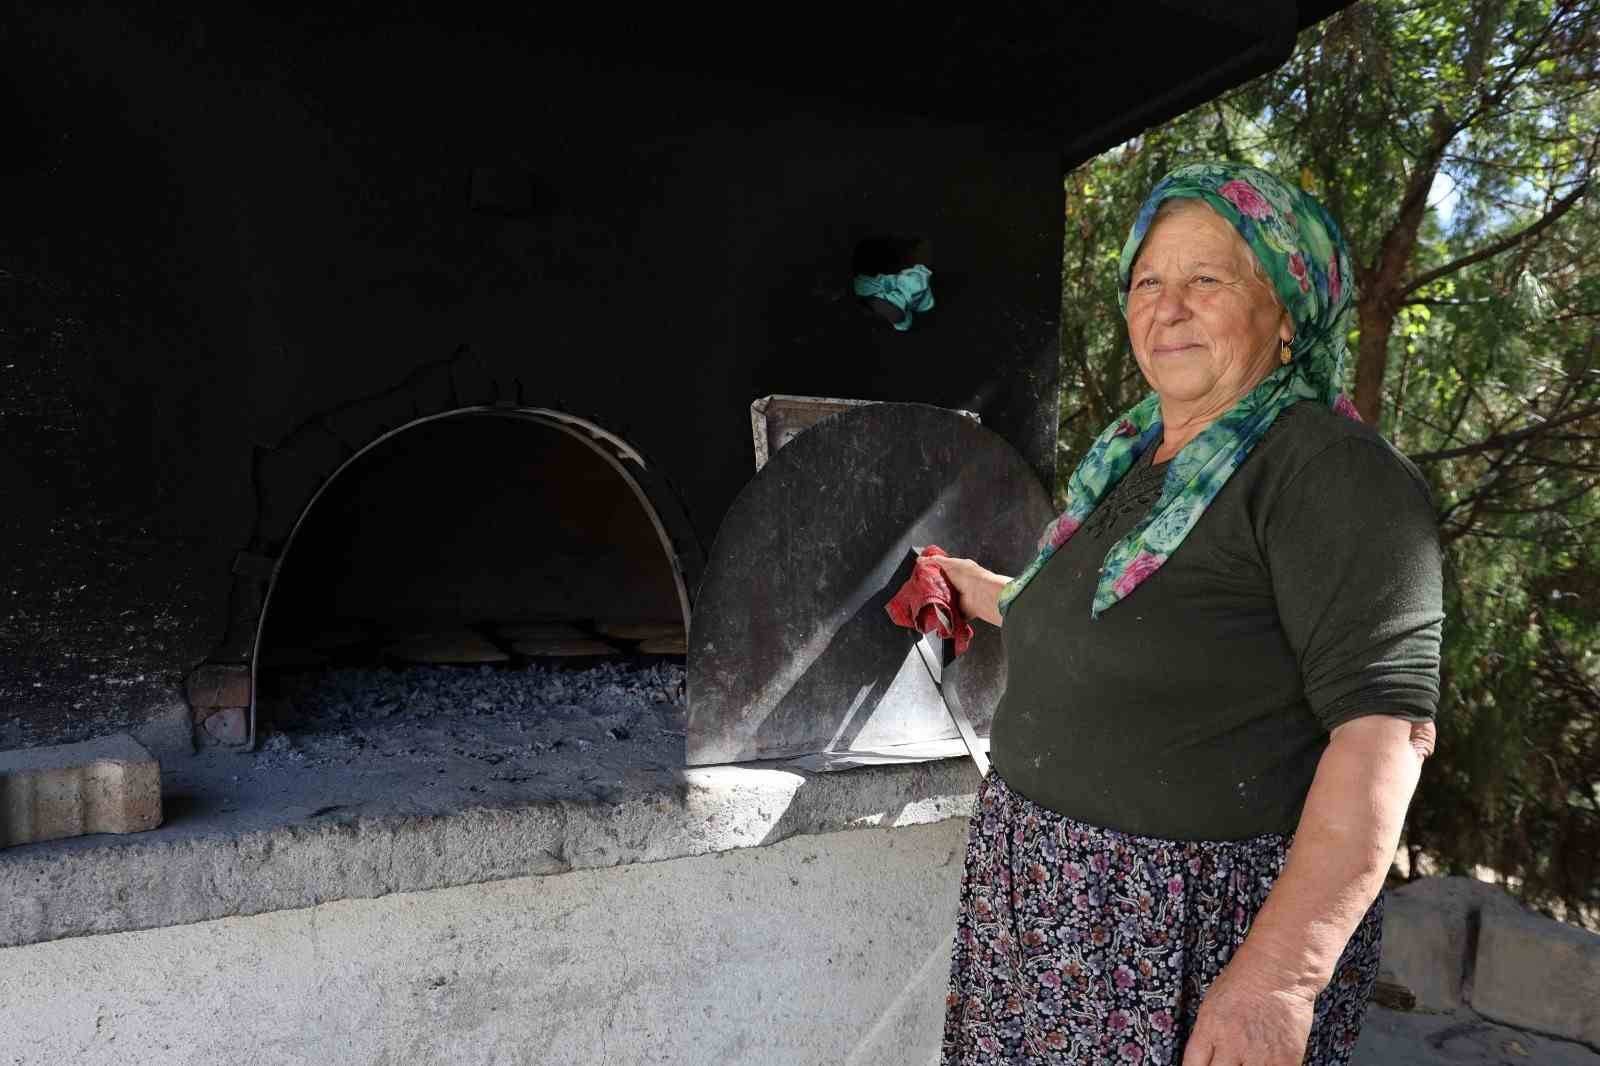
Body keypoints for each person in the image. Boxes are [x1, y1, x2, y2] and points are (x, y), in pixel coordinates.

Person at [928, 162, 1444, 1066]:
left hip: (1185, 932)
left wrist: (1279, 981)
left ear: (1288, 307)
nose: (1166, 308)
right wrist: (971, 587)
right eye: (1147, 281)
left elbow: (1384, 735)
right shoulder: (1134, 461)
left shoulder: (1329, 470)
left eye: (1206, 280)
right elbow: (1131, 623)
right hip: (1045, 899)